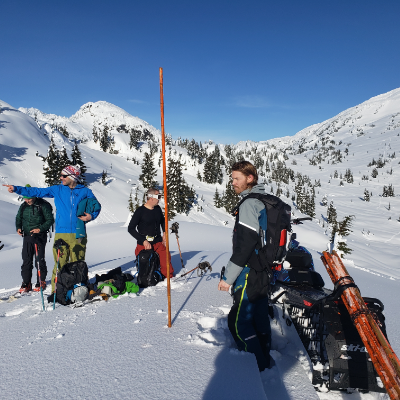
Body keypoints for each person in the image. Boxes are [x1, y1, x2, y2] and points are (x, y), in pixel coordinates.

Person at [3, 165, 101, 292]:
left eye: (63, 176)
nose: (61, 178)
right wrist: (17, 189)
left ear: (73, 177)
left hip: (79, 233)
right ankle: (57, 290)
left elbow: (96, 206)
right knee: (60, 263)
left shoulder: (85, 192)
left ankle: (78, 290)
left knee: (78, 263)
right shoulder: (57, 189)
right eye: (61, 175)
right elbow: (37, 191)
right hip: (61, 233)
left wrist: (91, 216)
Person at [217, 160, 272, 371]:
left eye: (236, 178)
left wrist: (228, 278)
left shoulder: (249, 203)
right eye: (232, 178)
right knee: (258, 316)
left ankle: (253, 369)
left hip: (249, 271)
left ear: (250, 179)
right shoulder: (263, 200)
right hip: (263, 271)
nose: (233, 182)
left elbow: (245, 246)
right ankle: (265, 360)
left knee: (238, 322)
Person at [128, 188, 174, 278]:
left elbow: (162, 221)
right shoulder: (140, 211)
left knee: (166, 261)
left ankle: (168, 279)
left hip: (158, 242)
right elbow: (131, 229)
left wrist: (164, 233)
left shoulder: (157, 209)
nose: (159, 199)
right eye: (158, 196)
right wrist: (143, 240)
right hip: (144, 245)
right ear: (151, 198)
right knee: (146, 269)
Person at [15, 185, 54, 292]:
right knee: (26, 260)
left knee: (39, 259)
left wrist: (40, 229)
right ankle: (26, 283)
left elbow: (50, 220)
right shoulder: (23, 206)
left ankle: (41, 281)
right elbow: (18, 218)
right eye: (25, 198)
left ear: (34, 196)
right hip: (27, 236)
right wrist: (18, 227)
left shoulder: (43, 205)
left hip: (39, 236)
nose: (27, 200)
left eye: (29, 198)